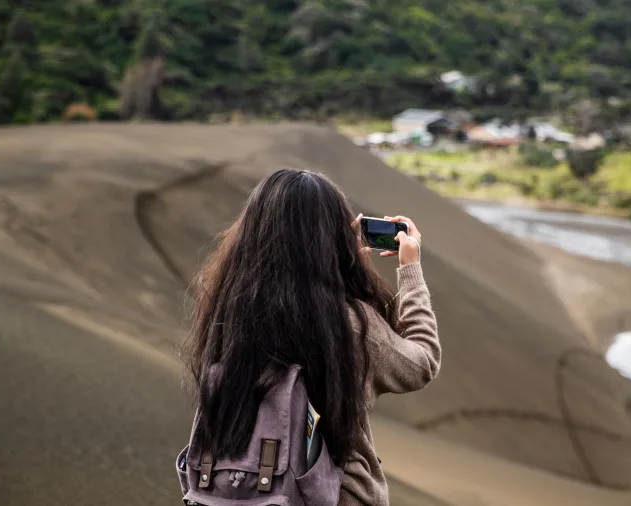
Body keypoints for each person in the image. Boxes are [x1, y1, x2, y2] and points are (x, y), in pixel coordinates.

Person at [181, 169, 441, 505]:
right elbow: (421, 362)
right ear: (333, 239)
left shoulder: (229, 310)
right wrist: (409, 273)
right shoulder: (348, 322)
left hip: (233, 494)